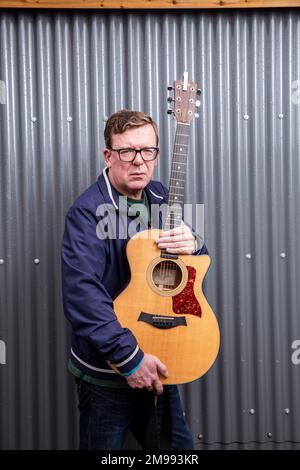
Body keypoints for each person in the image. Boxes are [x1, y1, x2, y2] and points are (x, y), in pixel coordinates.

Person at [61, 109, 208, 450]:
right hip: (111, 371)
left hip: (161, 358)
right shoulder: (87, 211)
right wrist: (131, 360)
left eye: (148, 151)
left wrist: (196, 243)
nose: (138, 161)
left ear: (157, 153)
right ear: (108, 156)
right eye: (127, 151)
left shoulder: (159, 196)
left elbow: (184, 264)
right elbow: (83, 296)